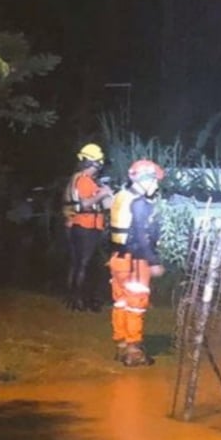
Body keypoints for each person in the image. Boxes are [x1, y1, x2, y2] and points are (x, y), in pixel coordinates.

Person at [108, 159, 166, 366]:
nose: (157, 185)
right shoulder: (140, 203)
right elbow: (142, 235)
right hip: (136, 262)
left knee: (121, 303)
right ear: (145, 179)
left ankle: (122, 345)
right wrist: (153, 261)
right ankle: (133, 350)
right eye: (155, 181)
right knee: (136, 305)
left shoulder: (120, 197)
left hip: (118, 259)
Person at [63, 143, 113, 311]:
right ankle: (78, 301)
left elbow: (105, 205)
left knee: (80, 264)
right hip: (86, 226)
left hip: (84, 226)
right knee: (85, 264)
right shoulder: (83, 180)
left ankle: (77, 299)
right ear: (95, 163)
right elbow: (84, 204)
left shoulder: (83, 179)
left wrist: (105, 195)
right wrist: (103, 193)